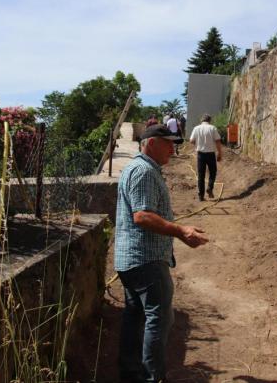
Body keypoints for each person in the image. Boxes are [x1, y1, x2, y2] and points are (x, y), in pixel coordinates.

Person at [115, 124, 209, 382]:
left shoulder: (139, 169)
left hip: (133, 260)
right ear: (152, 143)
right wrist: (181, 231)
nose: (172, 149)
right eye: (168, 143)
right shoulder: (144, 171)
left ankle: (130, 373)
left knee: (135, 317)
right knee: (159, 319)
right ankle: (152, 377)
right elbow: (142, 216)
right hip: (146, 260)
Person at [188, 114, 222, 202]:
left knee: (201, 175)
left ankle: (201, 196)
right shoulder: (213, 128)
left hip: (200, 155)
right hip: (211, 154)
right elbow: (218, 141)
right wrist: (219, 153)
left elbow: (191, 140)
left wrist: (198, 143)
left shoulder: (196, 128)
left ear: (202, 120)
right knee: (213, 172)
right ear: (209, 120)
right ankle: (210, 187)